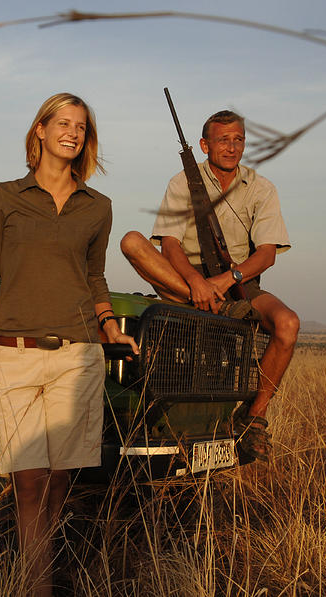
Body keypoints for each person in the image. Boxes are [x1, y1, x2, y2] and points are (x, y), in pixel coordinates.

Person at [0, 93, 137, 597]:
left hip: (78, 354)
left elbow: (95, 277)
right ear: (40, 130)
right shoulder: (4, 196)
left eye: (81, 126)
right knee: (28, 479)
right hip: (12, 353)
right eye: (63, 122)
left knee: (61, 480)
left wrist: (109, 326)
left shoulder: (97, 207)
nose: (72, 132)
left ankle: (35, 573)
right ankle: (36, 585)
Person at [120, 109, 299, 461]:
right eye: (223, 140)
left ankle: (253, 418)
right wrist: (195, 283)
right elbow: (169, 244)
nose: (232, 148)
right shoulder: (182, 181)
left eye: (238, 140)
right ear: (205, 145)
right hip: (183, 281)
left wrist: (225, 280)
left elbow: (266, 255)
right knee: (131, 241)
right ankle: (212, 306)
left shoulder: (261, 188)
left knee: (288, 324)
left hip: (239, 285)